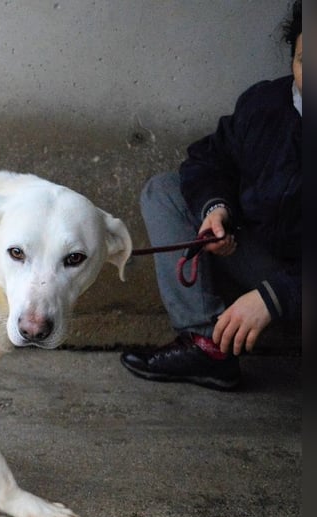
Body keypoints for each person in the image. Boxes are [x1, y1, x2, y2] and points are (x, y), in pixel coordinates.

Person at [121, 0, 302, 390]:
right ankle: (208, 347)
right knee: (165, 192)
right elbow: (208, 160)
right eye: (308, 60)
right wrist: (217, 211)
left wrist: (274, 297)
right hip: (267, 261)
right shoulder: (266, 103)